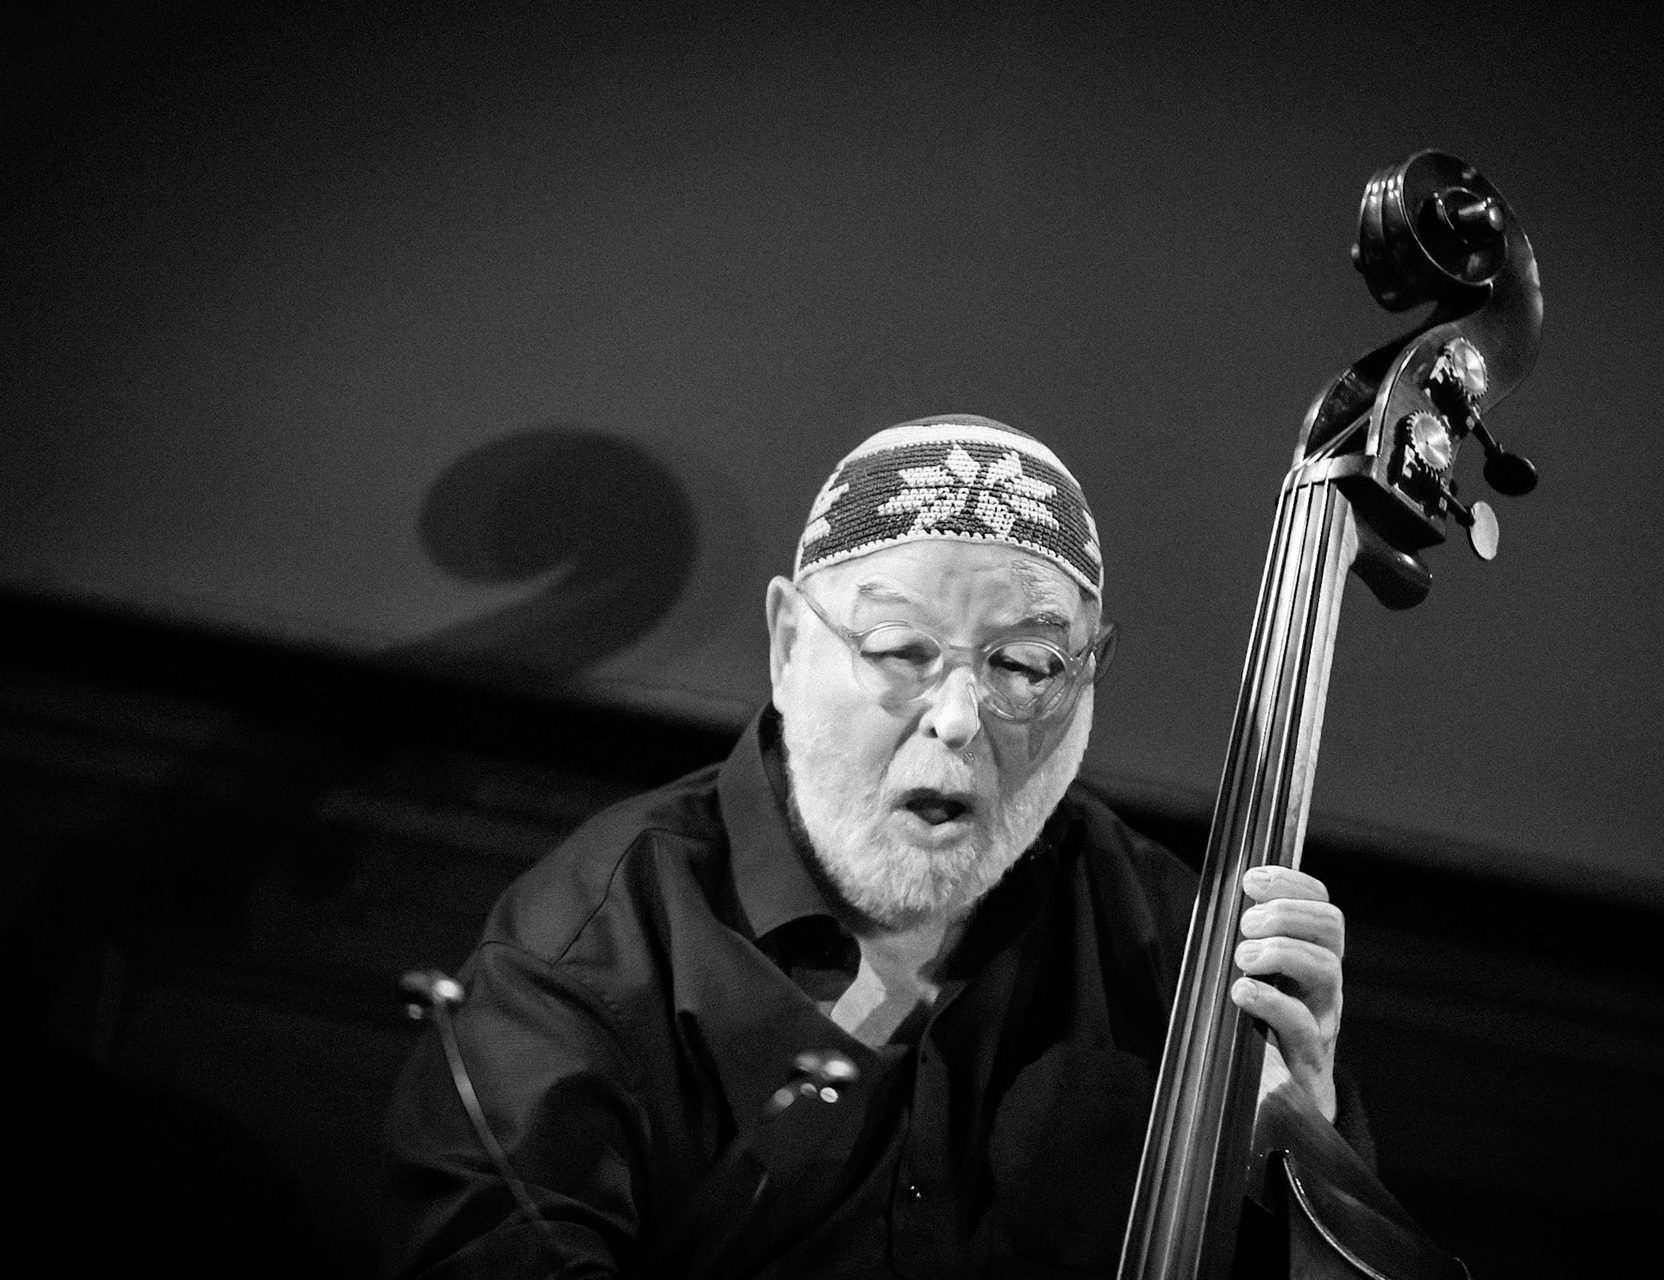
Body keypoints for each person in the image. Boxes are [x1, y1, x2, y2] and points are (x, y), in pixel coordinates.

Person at [384, 415, 1368, 1278]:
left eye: (1027, 665)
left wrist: (1302, 1148)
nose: (960, 717)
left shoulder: (1176, 945)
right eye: (899, 649)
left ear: (1088, 677)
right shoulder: (583, 954)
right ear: (786, 644)